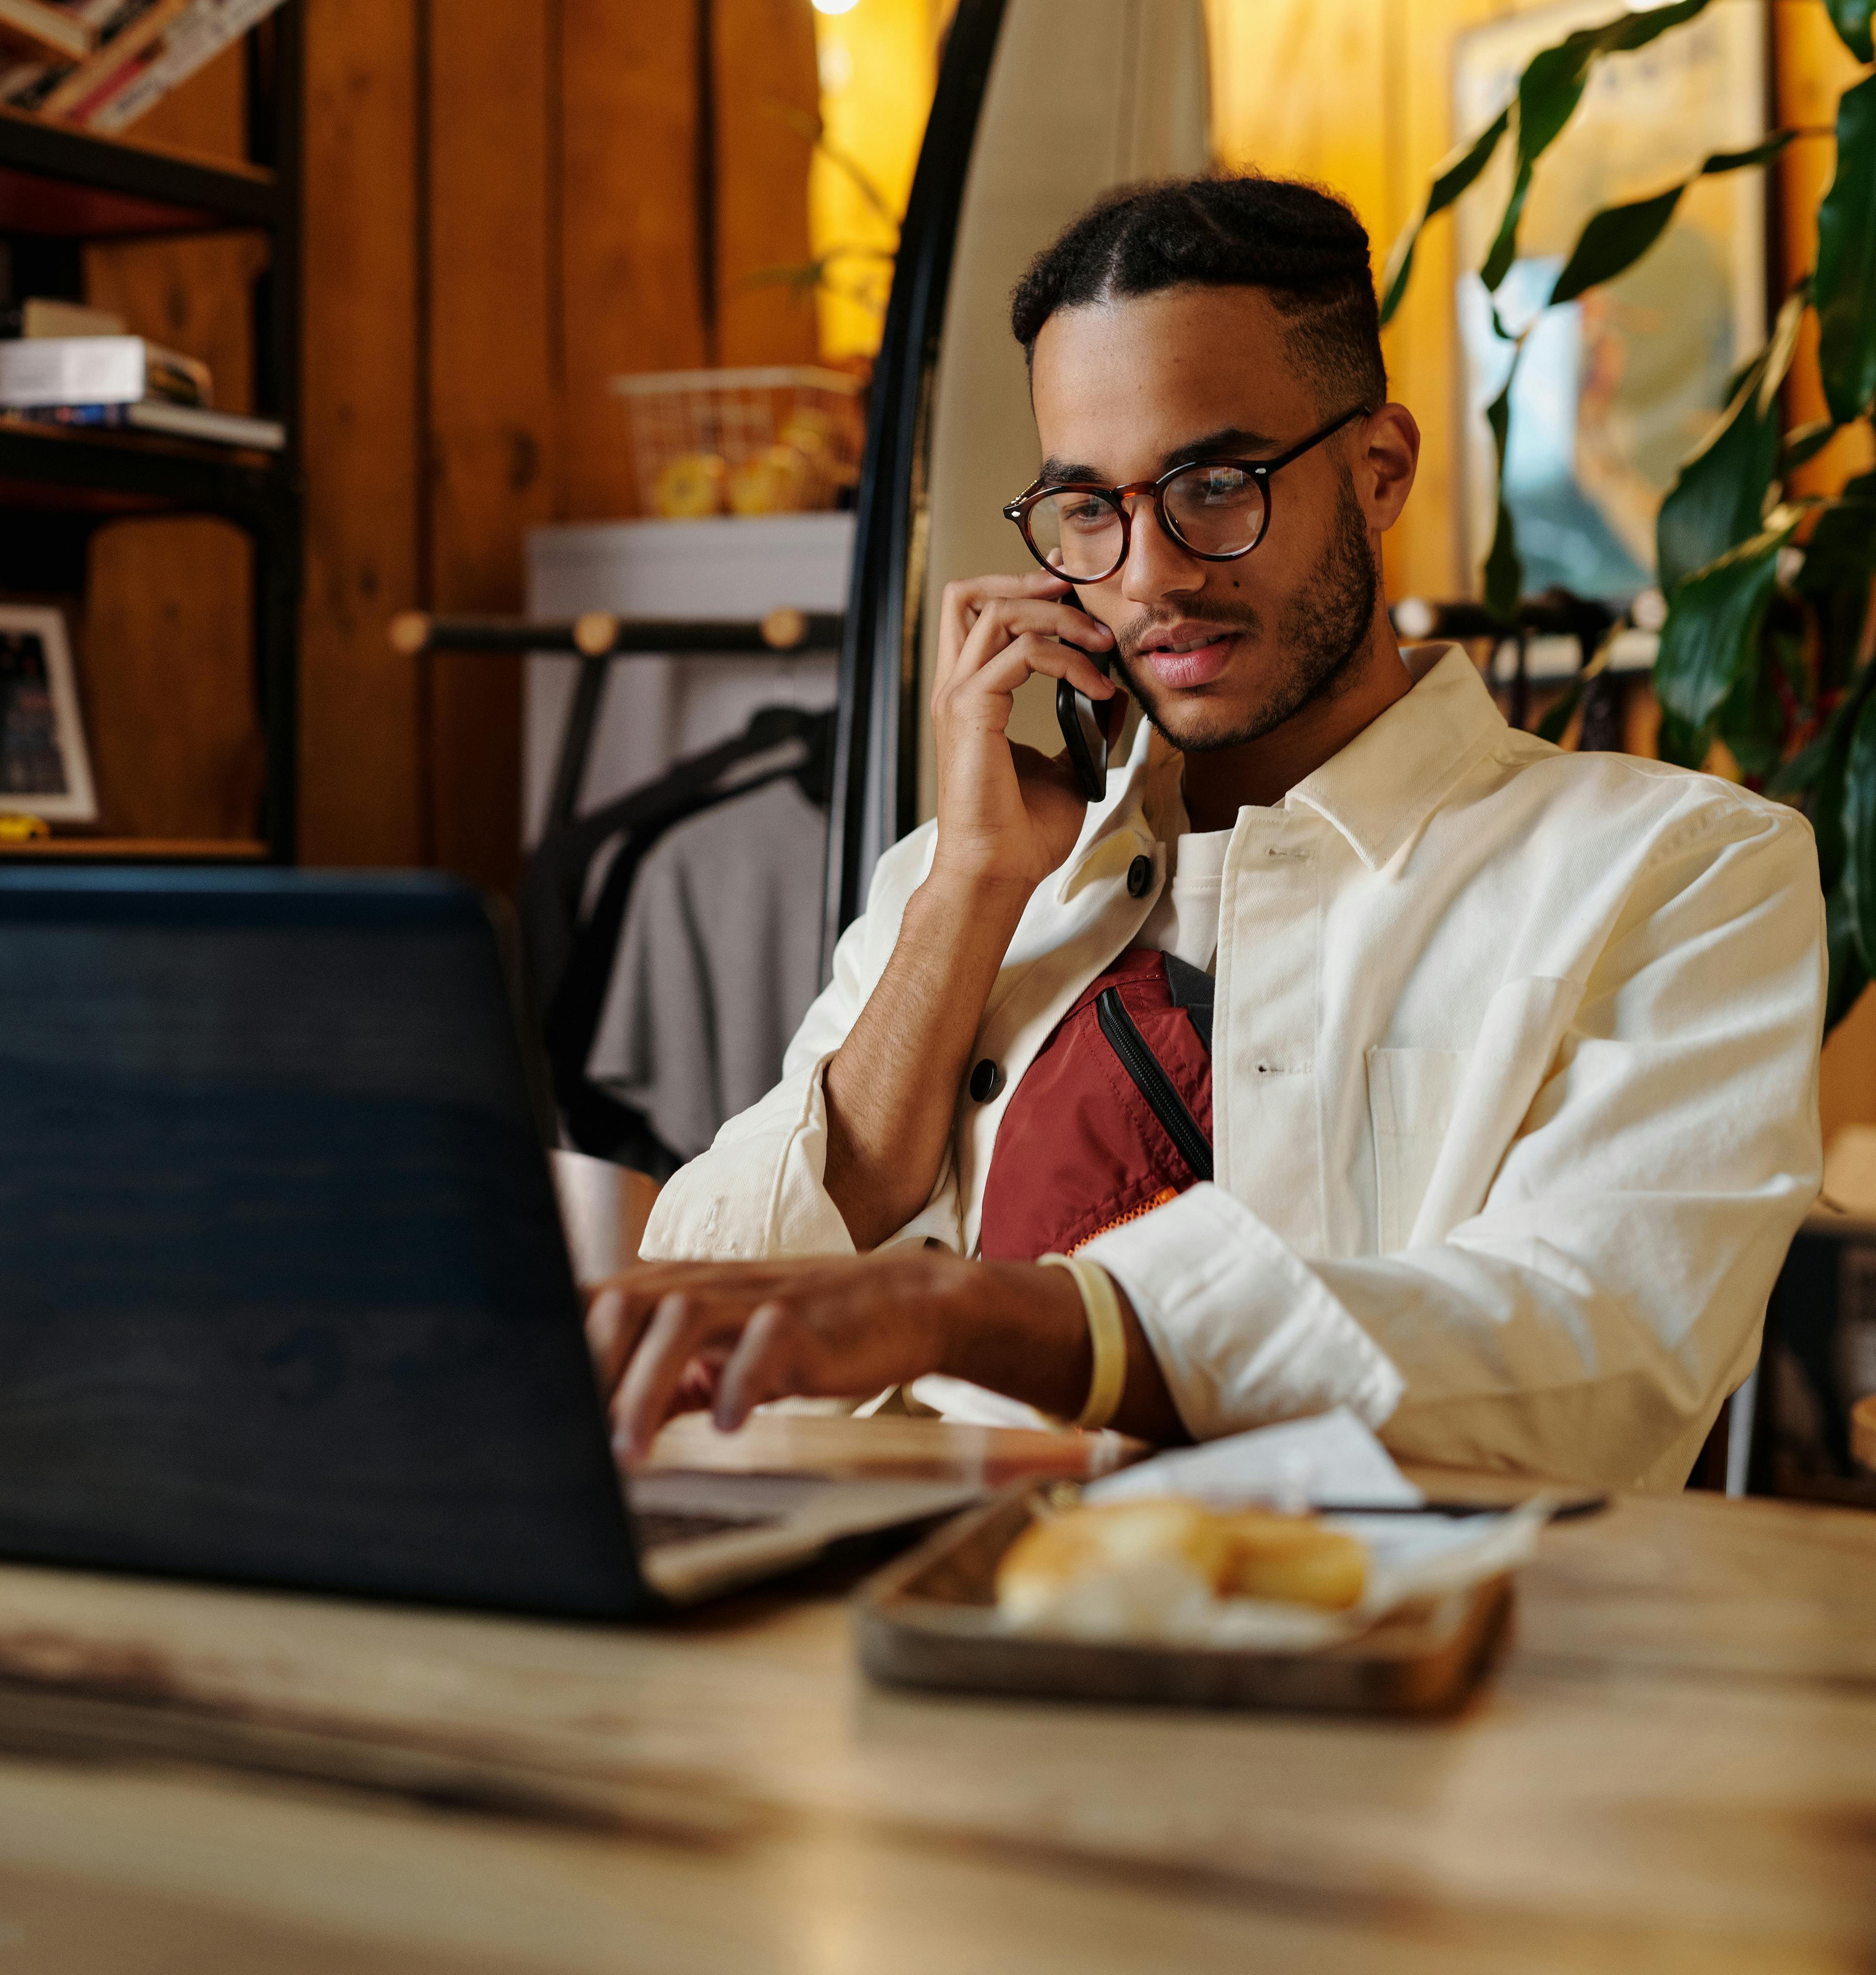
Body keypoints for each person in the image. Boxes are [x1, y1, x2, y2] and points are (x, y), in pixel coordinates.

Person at [587, 176, 1824, 1489]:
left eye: (1215, 484)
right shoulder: (970, 877)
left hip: (1371, 1655)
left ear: (1381, 468)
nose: (1149, 574)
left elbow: (1601, 1352)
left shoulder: (1679, 871)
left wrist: (983, 1314)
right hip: (914, 1639)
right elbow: (698, 1304)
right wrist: (965, 891)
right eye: (1089, 511)